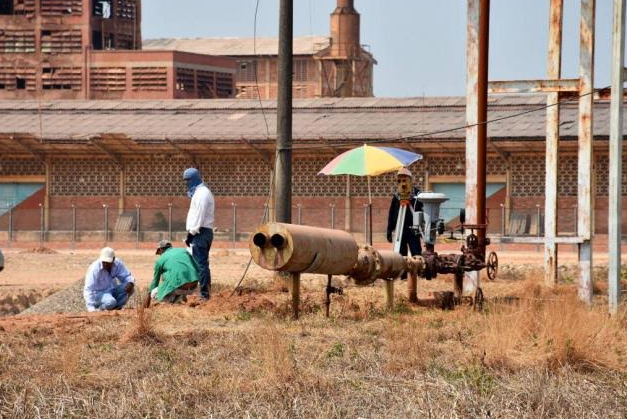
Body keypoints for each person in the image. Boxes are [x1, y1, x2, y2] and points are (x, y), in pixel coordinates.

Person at [183, 167, 214, 301]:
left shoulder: (202, 193)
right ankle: (205, 292)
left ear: (195, 178)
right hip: (200, 232)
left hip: (200, 232)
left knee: (201, 264)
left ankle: (204, 295)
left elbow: (200, 215)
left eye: (188, 180)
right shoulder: (199, 192)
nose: (187, 183)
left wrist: (192, 232)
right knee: (201, 264)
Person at [145, 240, 200, 307]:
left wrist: (147, 303)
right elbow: (198, 268)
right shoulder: (183, 251)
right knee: (173, 277)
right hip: (194, 285)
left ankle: (172, 304)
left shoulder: (160, 260)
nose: (159, 255)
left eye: (159, 252)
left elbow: (155, 282)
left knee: (154, 293)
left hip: (179, 287)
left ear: (161, 249)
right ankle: (180, 300)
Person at [386, 167, 423, 261]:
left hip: (413, 230)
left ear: (410, 180)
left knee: (416, 254)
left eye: (404, 179)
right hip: (400, 230)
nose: (402, 183)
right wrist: (389, 230)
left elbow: (422, 211)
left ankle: (417, 274)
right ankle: (402, 275)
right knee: (400, 256)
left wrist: (422, 230)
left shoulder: (418, 195)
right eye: (399, 180)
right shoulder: (396, 196)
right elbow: (392, 213)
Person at [83, 247, 135, 312]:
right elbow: (89, 289)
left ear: (113, 259)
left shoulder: (117, 264)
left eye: (108, 262)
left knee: (130, 288)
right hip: (98, 294)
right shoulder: (95, 268)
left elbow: (127, 276)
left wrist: (130, 282)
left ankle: (115, 307)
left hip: (112, 290)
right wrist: (91, 308)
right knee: (111, 302)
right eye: (104, 261)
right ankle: (100, 309)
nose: (105, 264)